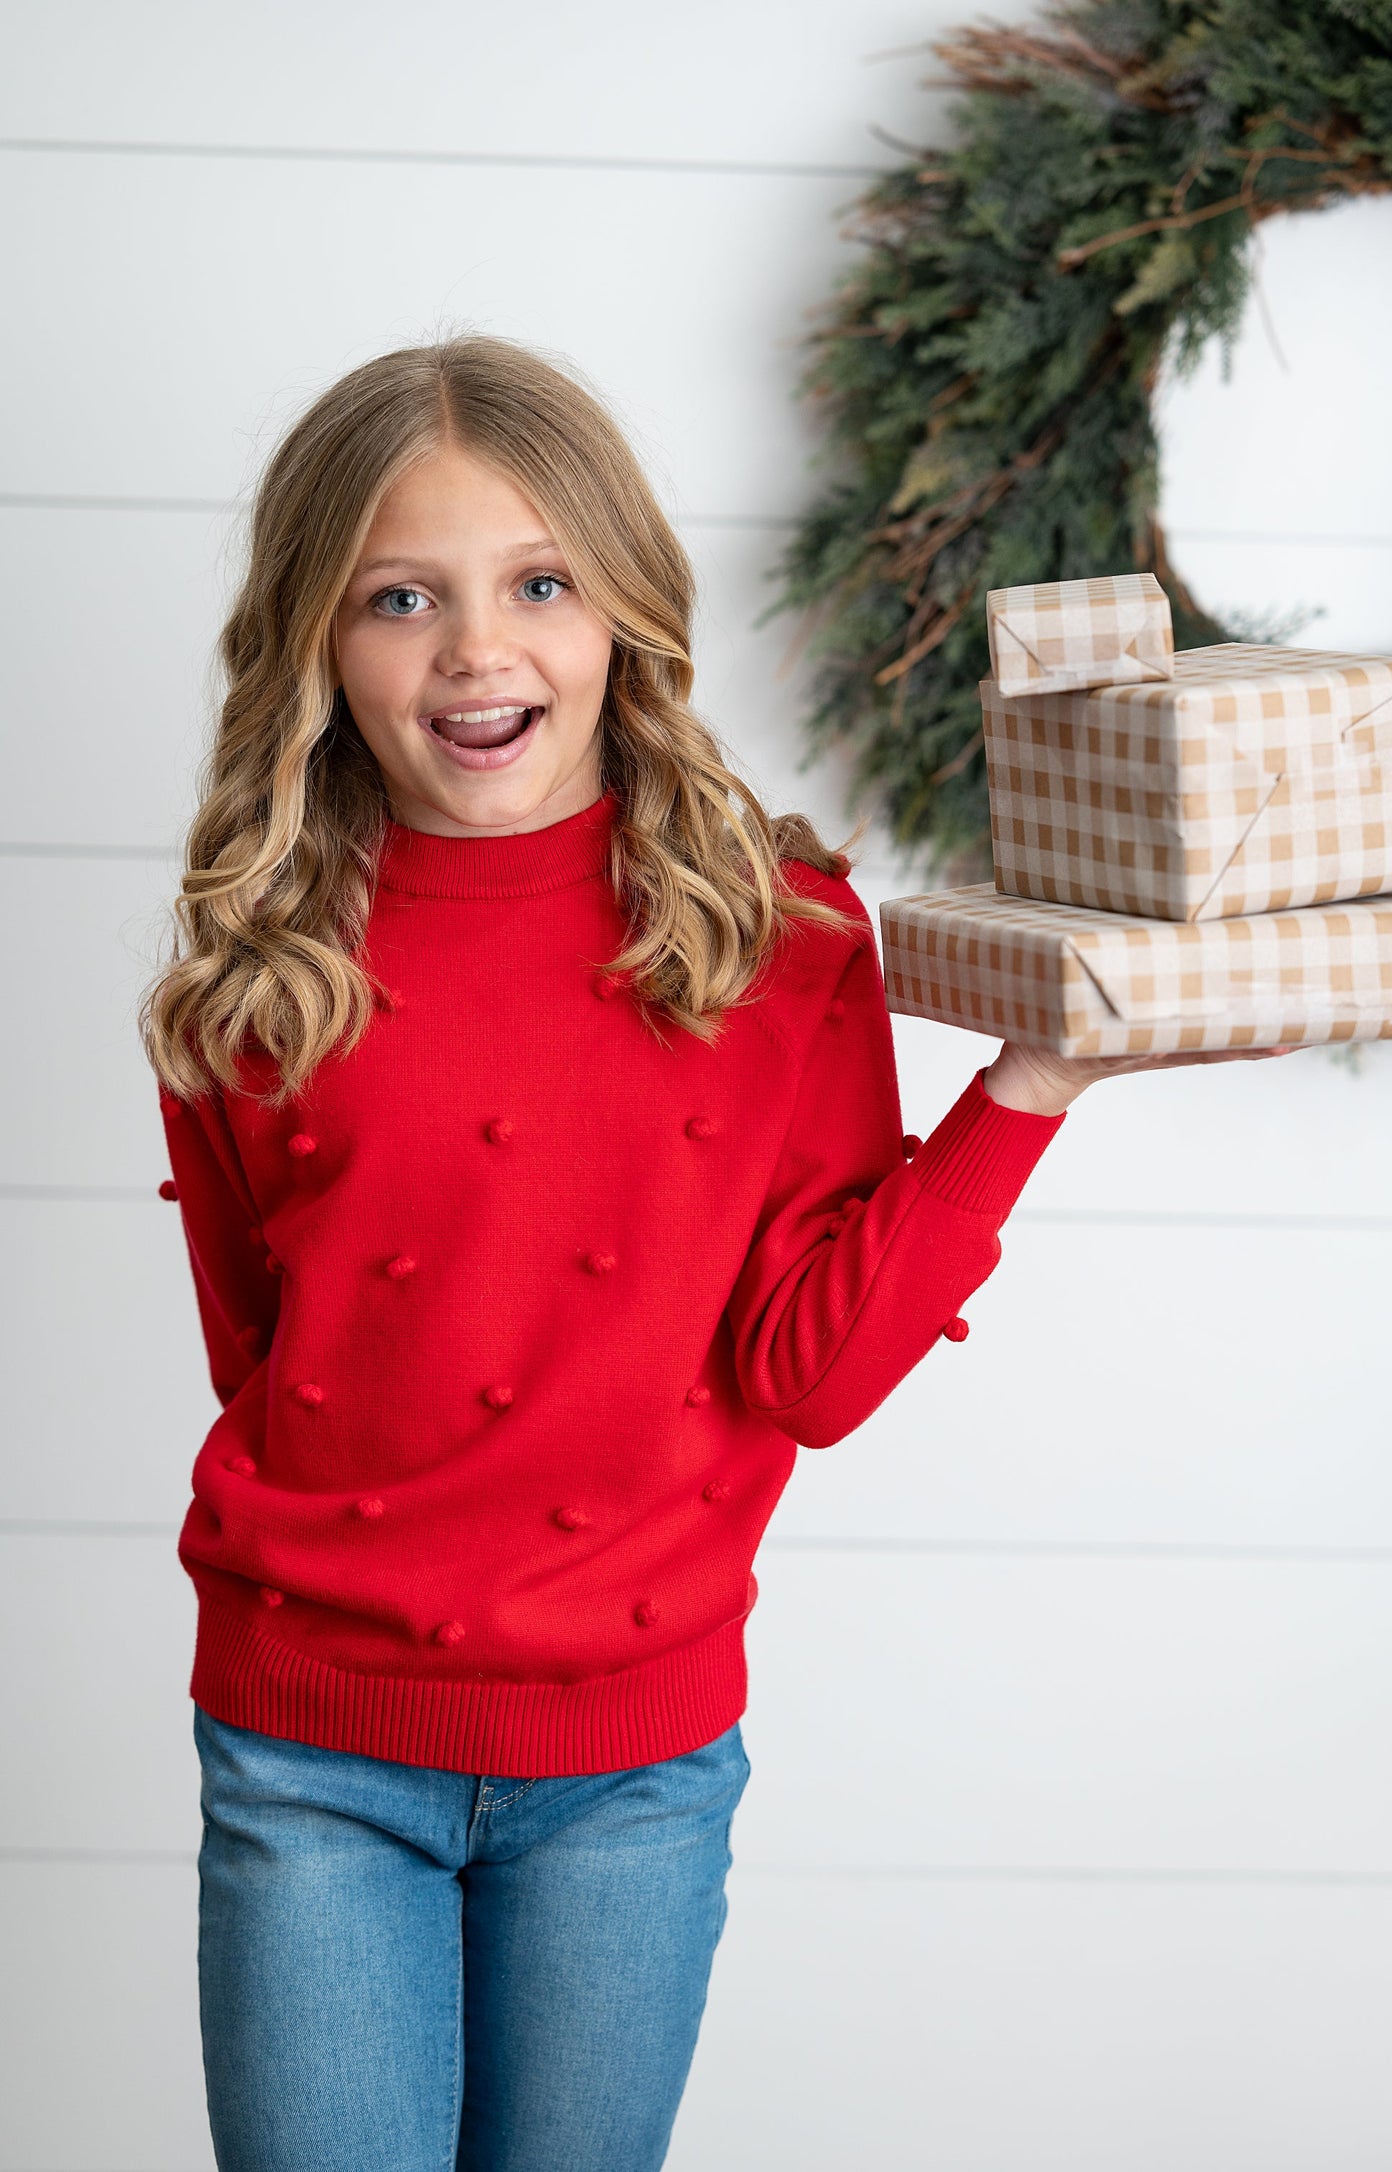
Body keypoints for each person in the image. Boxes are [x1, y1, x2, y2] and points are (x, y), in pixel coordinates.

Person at [139, 335, 1289, 2172]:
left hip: (630, 1777)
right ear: (312, 642)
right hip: (309, 1755)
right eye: (398, 599)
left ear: (622, 614)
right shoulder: (252, 976)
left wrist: (1030, 1085)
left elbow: (811, 1373)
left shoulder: (781, 940)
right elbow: (270, 1359)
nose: (476, 650)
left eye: (537, 584)